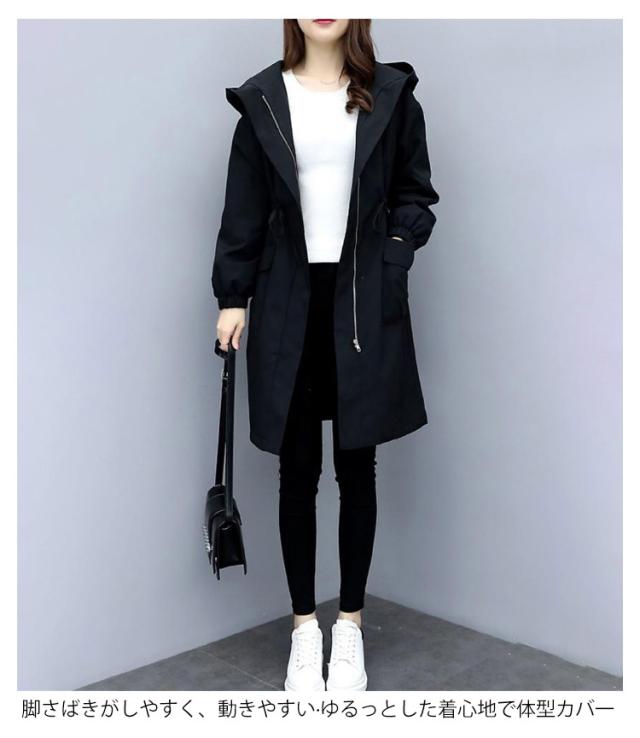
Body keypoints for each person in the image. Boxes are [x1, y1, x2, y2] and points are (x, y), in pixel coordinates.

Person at [212, 19, 439, 691]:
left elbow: (415, 194)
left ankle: (351, 629)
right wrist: (233, 296)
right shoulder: (264, 100)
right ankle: (304, 631)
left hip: (361, 299)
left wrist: (393, 257)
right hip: (288, 299)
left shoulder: (390, 94)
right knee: (297, 472)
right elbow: (244, 208)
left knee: (357, 468)